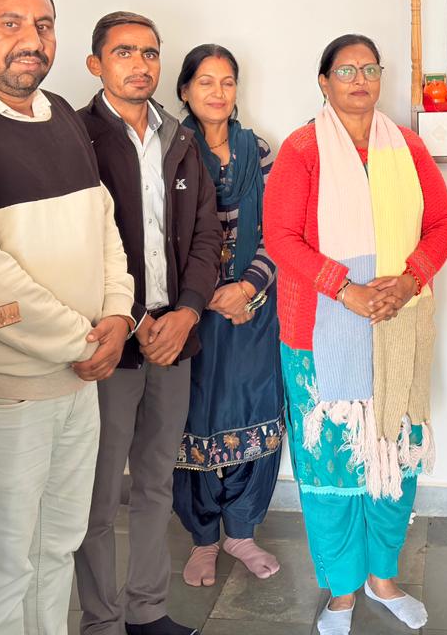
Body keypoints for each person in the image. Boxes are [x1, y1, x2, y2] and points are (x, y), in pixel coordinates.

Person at [0, 0, 136, 635]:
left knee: (55, 550)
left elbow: (105, 227)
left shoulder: (63, 118)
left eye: (43, 25)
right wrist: (85, 341)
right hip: (5, 393)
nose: (32, 39)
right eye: (11, 24)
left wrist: (118, 316)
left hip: (79, 383)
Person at [264, 34, 447, 635]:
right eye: (345, 70)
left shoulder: (408, 147)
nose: (359, 80)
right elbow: (281, 238)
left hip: (400, 325)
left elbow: (442, 224)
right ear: (323, 81)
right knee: (330, 465)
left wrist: (409, 280)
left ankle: (383, 578)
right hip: (318, 334)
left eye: (369, 69)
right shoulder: (302, 150)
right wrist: (345, 289)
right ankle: (343, 589)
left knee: (395, 453)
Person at [75, 12, 222, 635]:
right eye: (125, 52)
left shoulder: (180, 138)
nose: (141, 65)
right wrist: (132, 318)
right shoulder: (75, 136)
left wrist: (187, 311)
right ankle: (101, 620)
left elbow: (206, 235)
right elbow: (79, 243)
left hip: (174, 337)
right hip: (114, 339)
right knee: (100, 491)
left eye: (151, 53)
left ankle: (147, 611)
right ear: (96, 64)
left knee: (157, 480)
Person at [170, 44, 285, 588]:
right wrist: (202, 295)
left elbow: (278, 231)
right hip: (187, 313)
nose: (218, 92)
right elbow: (158, 232)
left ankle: (241, 532)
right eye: (206, 81)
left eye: (227, 82)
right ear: (185, 90)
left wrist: (247, 288)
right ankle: (202, 539)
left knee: (251, 412)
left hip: (251, 313)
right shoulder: (169, 149)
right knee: (192, 417)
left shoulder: (257, 151)